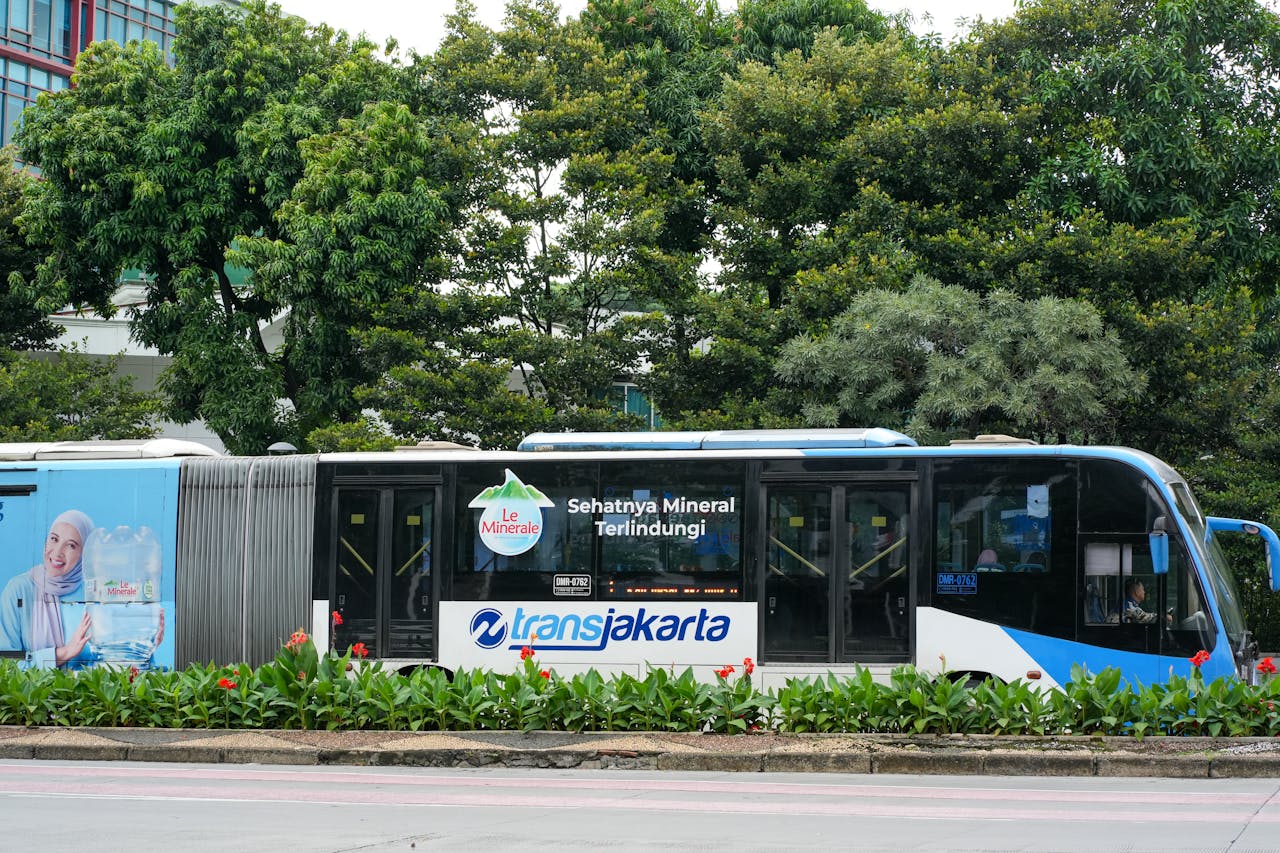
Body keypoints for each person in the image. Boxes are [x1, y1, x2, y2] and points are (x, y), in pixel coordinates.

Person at [0, 510, 164, 669]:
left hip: (88, 695)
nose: (57, 552)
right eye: (54, 539)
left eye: (71, 545)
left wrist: (146, 647)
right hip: (36, 696)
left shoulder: (96, 593)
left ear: (85, 554)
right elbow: (6, 665)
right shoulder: (19, 590)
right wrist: (63, 654)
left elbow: (115, 662)